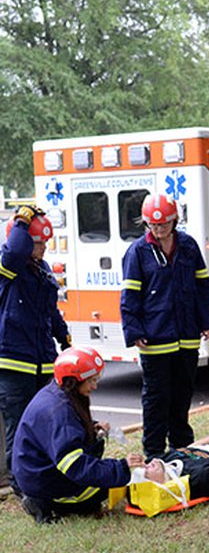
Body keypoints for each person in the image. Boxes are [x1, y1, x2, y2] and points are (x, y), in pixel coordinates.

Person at [121, 194, 209, 458]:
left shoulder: (188, 246)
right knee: (156, 400)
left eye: (164, 224)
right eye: (154, 225)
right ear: (146, 224)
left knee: (182, 395)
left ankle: (182, 449)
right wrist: (134, 331)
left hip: (186, 336)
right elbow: (130, 295)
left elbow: (203, 287)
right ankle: (154, 453)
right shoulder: (137, 252)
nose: (159, 229)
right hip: (155, 340)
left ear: (174, 221)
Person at [13, 347, 143, 523]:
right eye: (91, 381)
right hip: (44, 482)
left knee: (105, 478)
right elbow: (75, 466)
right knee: (110, 485)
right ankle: (44, 503)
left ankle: (42, 498)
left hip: (38, 473)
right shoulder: (60, 412)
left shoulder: (57, 394)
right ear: (73, 381)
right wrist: (121, 467)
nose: (95, 386)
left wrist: (92, 428)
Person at [0, 205, 70, 490]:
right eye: (38, 242)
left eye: (44, 242)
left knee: (44, 422)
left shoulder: (40, 269)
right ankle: (20, 486)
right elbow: (15, 251)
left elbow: (50, 311)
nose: (43, 248)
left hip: (42, 361)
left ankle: (42, 476)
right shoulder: (8, 268)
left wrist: (63, 337)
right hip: (14, 365)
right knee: (18, 428)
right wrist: (22, 219)